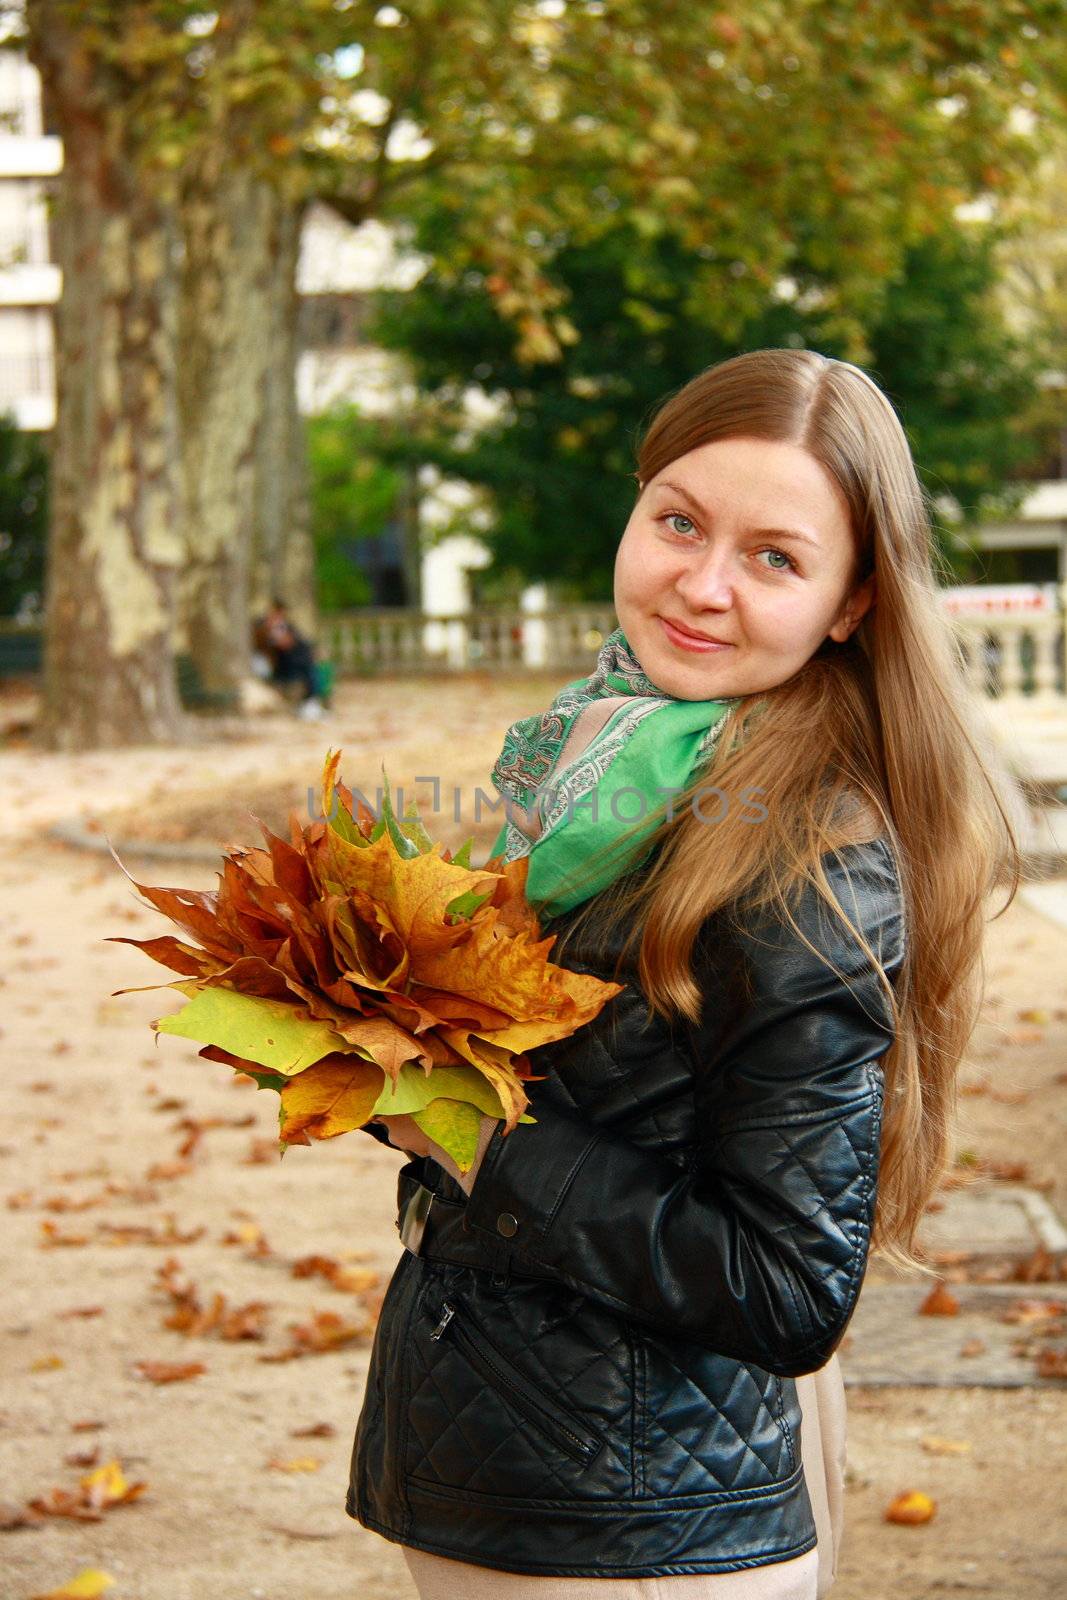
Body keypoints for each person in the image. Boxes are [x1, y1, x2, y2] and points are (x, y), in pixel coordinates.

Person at [348, 349, 1025, 1598]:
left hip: (639, 1523)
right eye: (678, 521)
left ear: (849, 602)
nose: (701, 586)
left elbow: (780, 1287)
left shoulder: (802, 856)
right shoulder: (593, 769)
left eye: (773, 557)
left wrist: (466, 1127)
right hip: (533, 1470)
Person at [252, 597, 327, 720]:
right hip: (286, 664)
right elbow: (284, 644)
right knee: (310, 670)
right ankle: (311, 702)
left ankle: (313, 701)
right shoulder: (267, 627)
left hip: (296, 659)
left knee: (318, 668)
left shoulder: (285, 625)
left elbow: (296, 641)